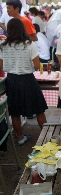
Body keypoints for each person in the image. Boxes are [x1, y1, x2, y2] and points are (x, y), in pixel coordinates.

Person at [0, 18, 48, 146]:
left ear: (9, 30)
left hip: (11, 81)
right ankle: (46, 137)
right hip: (27, 80)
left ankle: (20, 137)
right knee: (39, 109)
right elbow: (37, 65)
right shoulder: (29, 44)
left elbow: (0, 65)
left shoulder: (3, 45)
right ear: (23, 29)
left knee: (15, 112)